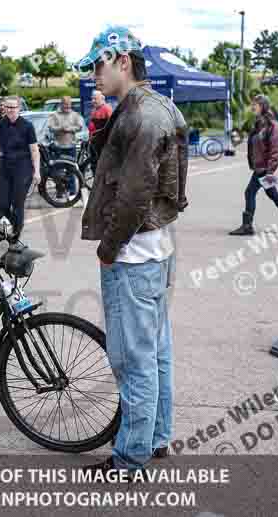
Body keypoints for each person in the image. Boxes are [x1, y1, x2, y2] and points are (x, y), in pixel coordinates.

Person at [76, 26, 187, 476]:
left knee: (133, 358)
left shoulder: (140, 115)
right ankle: (154, 439)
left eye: (97, 65)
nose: (92, 76)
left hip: (135, 252)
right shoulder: (159, 106)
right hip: (156, 248)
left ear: (122, 60)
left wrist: (108, 246)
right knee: (155, 350)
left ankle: (129, 456)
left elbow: (134, 194)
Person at [229, 94, 278, 235]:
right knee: (272, 194)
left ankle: (247, 226)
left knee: (250, 192)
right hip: (260, 168)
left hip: (265, 169)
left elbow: (276, 150)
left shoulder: (272, 125)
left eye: (256, 104)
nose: (253, 106)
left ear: (264, 106)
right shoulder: (259, 124)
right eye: (252, 103)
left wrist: (270, 170)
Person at [0, 96, 40, 242]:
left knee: (17, 202)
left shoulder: (27, 126)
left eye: (12, 107)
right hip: (5, 166)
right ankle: (16, 224)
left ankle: (17, 231)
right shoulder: (1, 124)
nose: (9, 110)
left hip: (23, 167)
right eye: (6, 107)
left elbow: (34, 150)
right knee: (2, 204)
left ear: (19, 108)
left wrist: (37, 171)